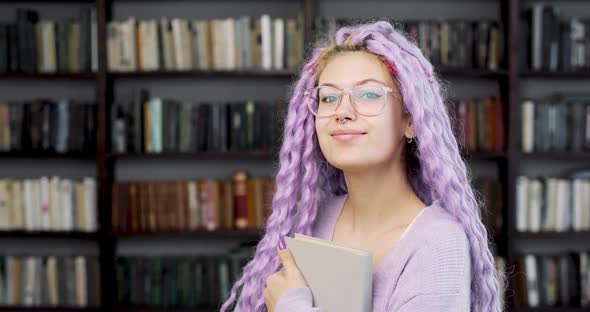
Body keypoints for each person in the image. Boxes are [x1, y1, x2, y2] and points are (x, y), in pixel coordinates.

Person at [220, 20, 505, 312]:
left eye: (369, 94)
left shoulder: (439, 245)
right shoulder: (315, 220)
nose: (342, 112)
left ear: (410, 120)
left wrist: (291, 305)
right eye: (328, 97)